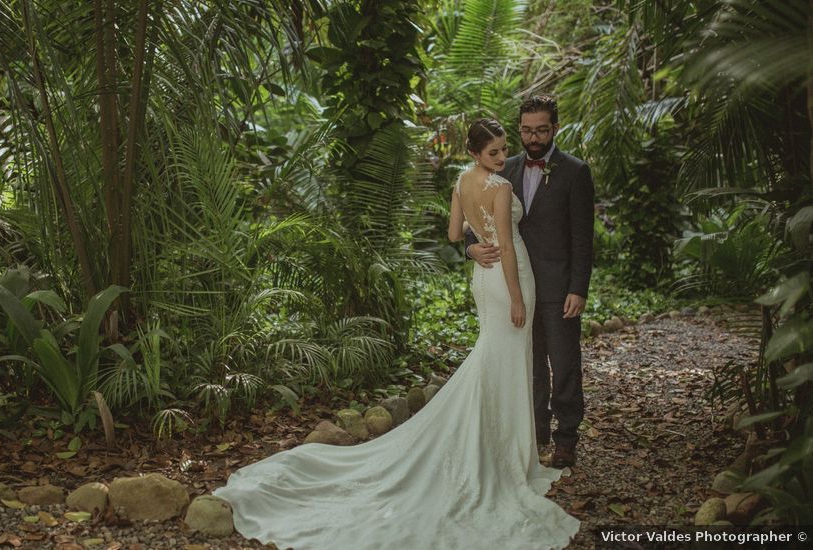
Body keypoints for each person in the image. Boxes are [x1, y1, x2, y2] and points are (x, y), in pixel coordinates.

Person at [212, 118, 580, 550]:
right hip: (508, 278)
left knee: (494, 358)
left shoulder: (461, 182)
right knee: (504, 359)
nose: (503, 158)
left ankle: (503, 446)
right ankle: (502, 456)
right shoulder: (499, 189)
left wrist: (472, 246)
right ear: (476, 153)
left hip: (483, 279)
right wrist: (517, 297)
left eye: (503, 150)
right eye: (495, 152)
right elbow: (503, 239)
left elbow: (452, 232)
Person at [465, 96, 594, 469]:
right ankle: (534, 433)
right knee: (529, 363)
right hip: (513, 286)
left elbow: (583, 237)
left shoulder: (575, 171)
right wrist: (471, 249)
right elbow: (480, 220)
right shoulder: (504, 167)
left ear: (554, 128)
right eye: (526, 130)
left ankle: (566, 438)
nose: (532, 137)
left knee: (564, 363)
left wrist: (578, 288)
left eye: (540, 130)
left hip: (557, 288)